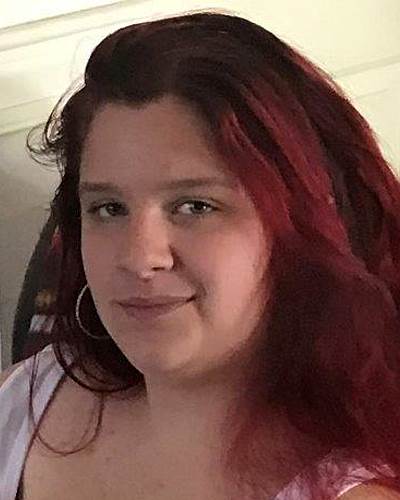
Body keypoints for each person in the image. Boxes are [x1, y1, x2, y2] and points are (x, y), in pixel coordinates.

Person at [1, 10, 400, 500]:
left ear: (310, 224)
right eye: (109, 208)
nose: (139, 258)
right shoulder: (29, 397)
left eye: (195, 206)